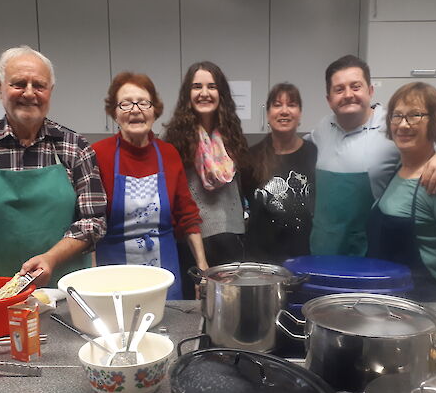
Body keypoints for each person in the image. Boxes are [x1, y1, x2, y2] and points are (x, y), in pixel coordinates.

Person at [0, 45, 107, 297]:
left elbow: (93, 221)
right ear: (0, 87)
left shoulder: (74, 148)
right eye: (18, 84)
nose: (29, 93)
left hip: (66, 294)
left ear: (50, 91)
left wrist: (50, 258)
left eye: (38, 85)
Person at [310, 55, 436, 257]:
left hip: (371, 253)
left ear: (371, 91)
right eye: (339, 89)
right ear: (329, 100)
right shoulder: (323, 128)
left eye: (355, 86)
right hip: (323, 251)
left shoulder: (394, 125)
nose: (348, 95)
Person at [92, 72, 208, 300]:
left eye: (143, 103)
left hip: (165, 271)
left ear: (155, 110)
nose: (135, 110)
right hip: (113, 274)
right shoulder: (98, 155)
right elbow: (89, 224)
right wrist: (92, 277)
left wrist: (203, 268)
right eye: (125, 104)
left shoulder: (168, 154)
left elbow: (188, 215)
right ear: (113, 113)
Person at [366, 82, 436, 301]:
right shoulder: (397, 170)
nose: (403, 125)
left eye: (414, 115)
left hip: (426, 305)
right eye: (396, 116)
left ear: (434, 121)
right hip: (388, 301)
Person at [164, 61, 249, 297]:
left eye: (211, 86)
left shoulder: (233, 136)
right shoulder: (174, 140)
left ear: (220, 93)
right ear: (187, 94)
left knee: (231, 312)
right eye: (196, 87)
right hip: (192, 243)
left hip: (231, 240)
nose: (204, 93)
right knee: (195, 313)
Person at [242, 82, 317, 264]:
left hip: (304, 258)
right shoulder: (251, 157)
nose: (284, 111)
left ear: (300, 114)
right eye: (277, 105)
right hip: (260, 261)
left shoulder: (314, 153)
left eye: (291, 105)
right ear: (267, 114)